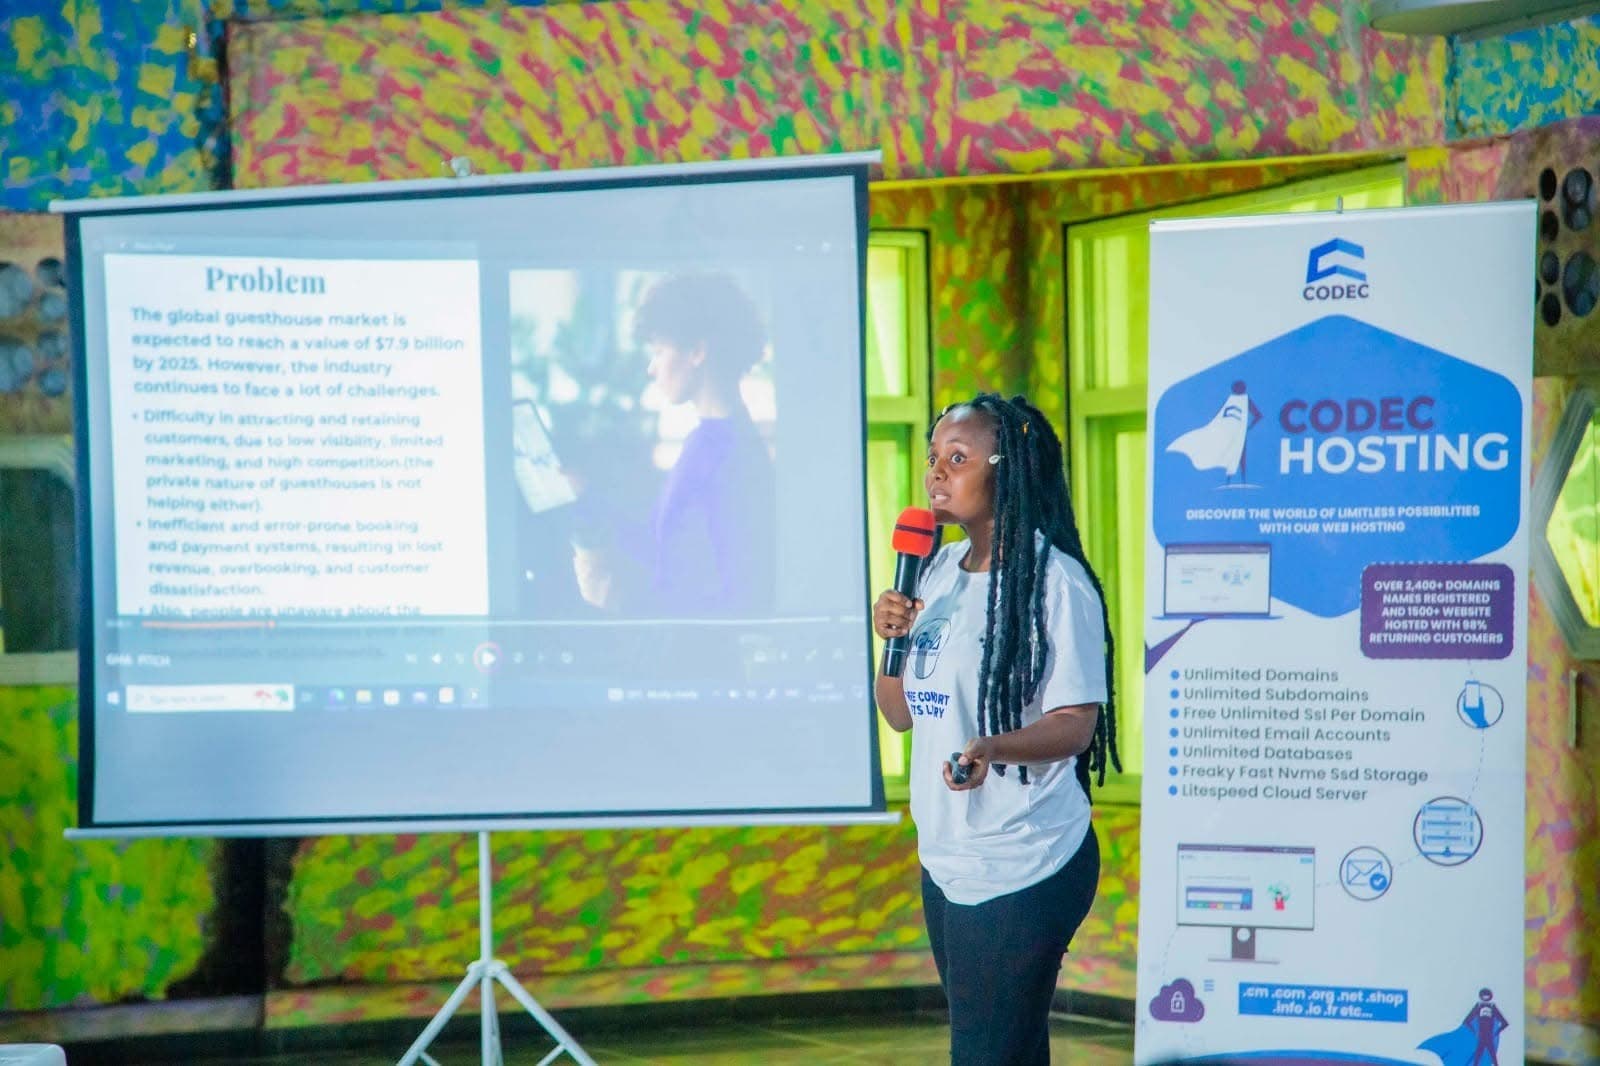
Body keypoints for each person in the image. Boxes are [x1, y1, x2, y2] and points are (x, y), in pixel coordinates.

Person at [872, 393, 1119, 1065]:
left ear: (1008, 472)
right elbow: (900, 715)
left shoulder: (1056, 584)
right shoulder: (934, 572)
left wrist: (993, 747)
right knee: (1006, 1051)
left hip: (1025, 855)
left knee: (984, 1054)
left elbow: (1076, 724)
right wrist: (889, 643)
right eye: (932, 458)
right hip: (948, 855)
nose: (936, 475)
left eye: (958, 458)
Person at [572, 272, 777, 616]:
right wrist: (587, 498)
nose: (652, 368)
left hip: (697, 660)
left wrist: (617, 594)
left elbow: (726, 593)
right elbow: (662, 550)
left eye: (659, 350)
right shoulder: (713, 441)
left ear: (697, 351)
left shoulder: (723, 453)